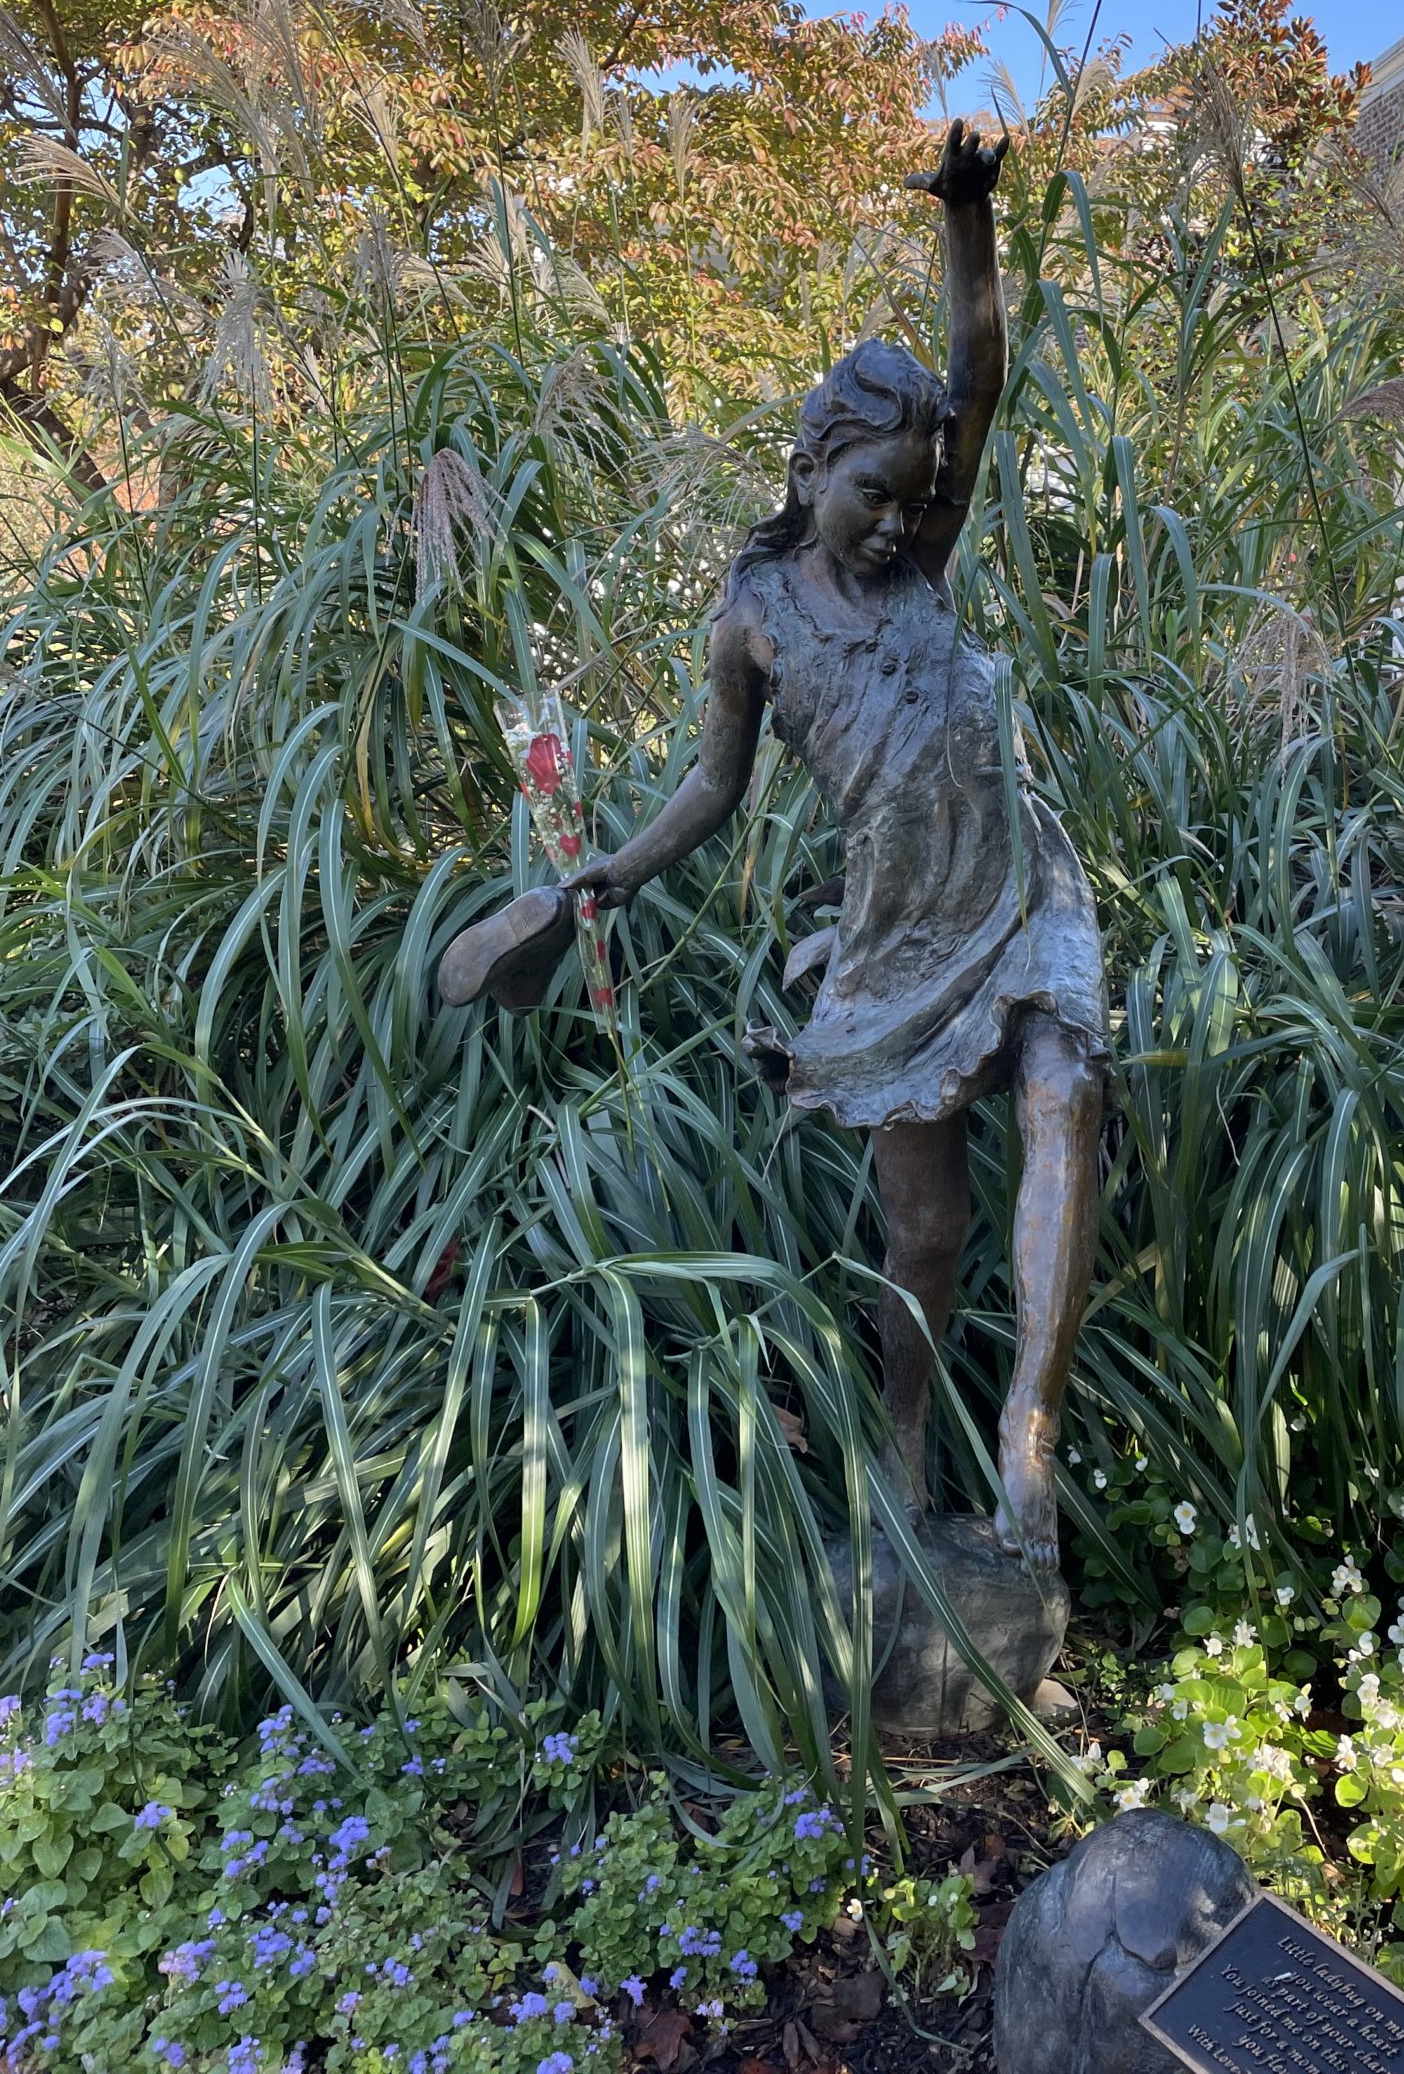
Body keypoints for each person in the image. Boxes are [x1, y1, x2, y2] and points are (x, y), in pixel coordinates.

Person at [437, 122, 1106, 1569]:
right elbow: (712, 786)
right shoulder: (753, 623)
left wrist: (968, 222)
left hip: (1018, 880)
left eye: (917, 499)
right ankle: (904, 1441)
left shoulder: (924, 558)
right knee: (925, 1231)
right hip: (896, 923)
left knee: (1067, 1091)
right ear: (810, 472)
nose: (899, 523)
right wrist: (609, 873)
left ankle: (1028, 1430)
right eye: (874, 493)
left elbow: (980, 374)